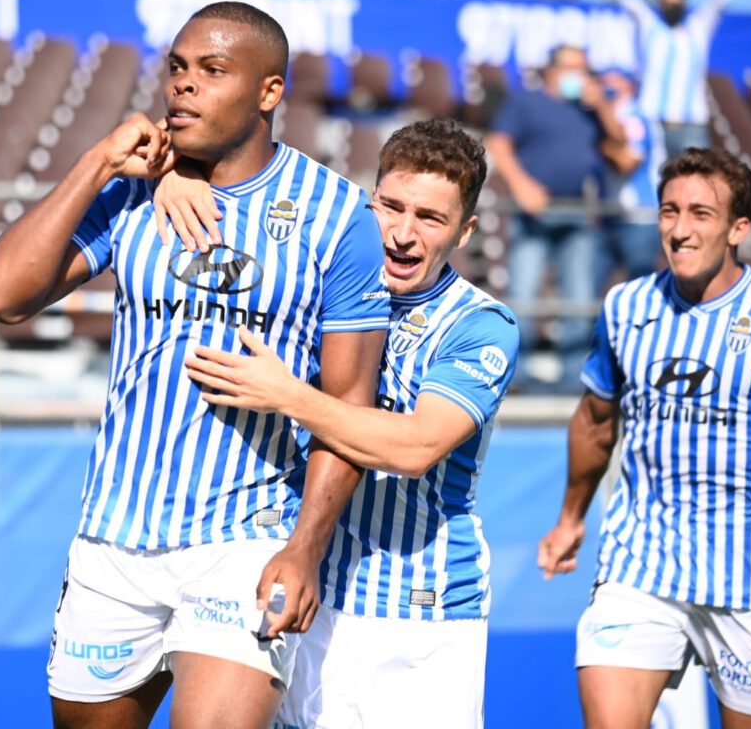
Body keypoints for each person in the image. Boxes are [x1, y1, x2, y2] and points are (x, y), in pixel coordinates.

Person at [0, 2, 390, 729]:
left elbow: (350, 405)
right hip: (113, 542)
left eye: (212, 70)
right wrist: (99, 160)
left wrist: (304, 548)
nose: (183, 87)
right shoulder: (135, 191)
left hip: (245, 539)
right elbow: (1, 295)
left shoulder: (337, 216)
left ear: (269, 92)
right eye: (177, 68)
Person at [170, 117, 520, 727]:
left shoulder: (481, 324)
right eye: (391, 207)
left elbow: (416, 447)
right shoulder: (317, 289)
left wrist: (287, 395)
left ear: (463, 232)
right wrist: (175, 176)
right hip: (310, 593)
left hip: (423, 614)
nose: (402, 234)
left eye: (430, 219)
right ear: (368, 200)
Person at [537, 148, 751, 729]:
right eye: (669, 211)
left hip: (748, 574)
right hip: (640, 566)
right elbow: (596, 420)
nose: (679, 230)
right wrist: (571, 517)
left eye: (701, 214)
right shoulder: (627, 307)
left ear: (738, 228)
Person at [487, 44, 625, 394]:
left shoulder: (588, 108)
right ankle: (514, 376)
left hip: (577, 211)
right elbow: (499, 144)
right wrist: (522, 186)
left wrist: (602, 105)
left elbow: (620, 141)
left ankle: (573, 377)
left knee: (578, 296)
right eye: (570, 67)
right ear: (550, 70)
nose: (578, 75)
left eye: (584, 68)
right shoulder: (526, 101)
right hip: (533, 210)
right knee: (523, 291)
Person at [619, 0, 731, 159]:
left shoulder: (698, 29)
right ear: (659, 3)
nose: (671, 4)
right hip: (652, 122)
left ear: (684, 2)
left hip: (690, 125)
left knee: (696, 184)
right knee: (650, 187)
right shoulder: (651, 28)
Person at [597, 69, 665, 285]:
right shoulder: (611, 116)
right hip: (614, 214)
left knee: (639, 285)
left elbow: (627, 162)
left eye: (615, 80)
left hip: (640, 214)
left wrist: (603, 148)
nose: (608, 84)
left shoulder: (634, 116)